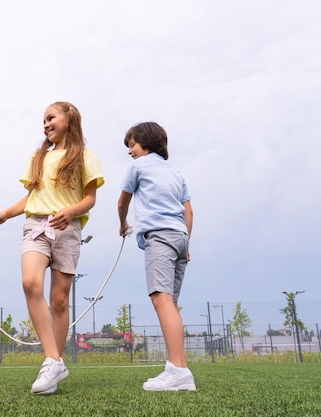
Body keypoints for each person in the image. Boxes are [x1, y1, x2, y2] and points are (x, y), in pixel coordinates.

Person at [0, 101, 104, 394]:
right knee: (30, 282)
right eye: (43, 121)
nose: (45, 124)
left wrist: (71, 212)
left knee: (59, 300)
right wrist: (3, 215)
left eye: (51, 118)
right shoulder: (38, 157)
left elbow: (89, 198)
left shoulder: (85, 156)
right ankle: (53, 359)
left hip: (67, 228)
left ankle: (52, 367)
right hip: (37, 225)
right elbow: (31, 198)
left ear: (69, 119)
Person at [117, 122, 196, 391]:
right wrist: (186, 242)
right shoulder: (176, 172)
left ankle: (179, 371)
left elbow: (122, 201)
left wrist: (122, 224)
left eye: (132, 145)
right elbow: (189, 212)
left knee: (160, 298)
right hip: (180, 238)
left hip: (159, 236)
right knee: (170, 303)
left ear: (146, 143)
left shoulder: (138, 167)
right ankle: (178, 368)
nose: (130, 151)